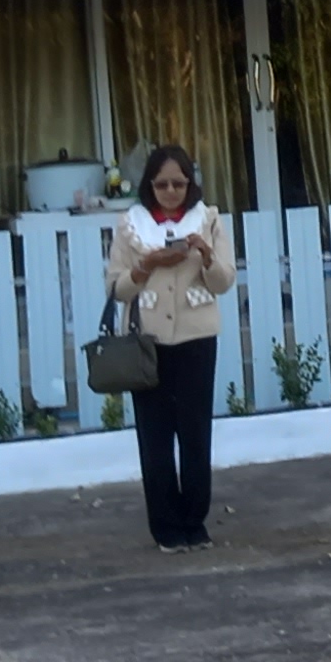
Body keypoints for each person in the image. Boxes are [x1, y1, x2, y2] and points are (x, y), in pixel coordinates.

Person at [105, 144, 235, 550]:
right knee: (155, 439)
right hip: (148, 343)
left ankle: (194, 523)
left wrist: (206, 255)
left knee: (195, 434)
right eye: (161, 184)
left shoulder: (208, 220)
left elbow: (224, 283)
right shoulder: (131, 225)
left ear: (190, 184)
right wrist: (147, 265)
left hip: (197, 339)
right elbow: (116, 288)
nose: (171, 191)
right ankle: (165, 528)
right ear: (149, 186)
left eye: (178, 183)